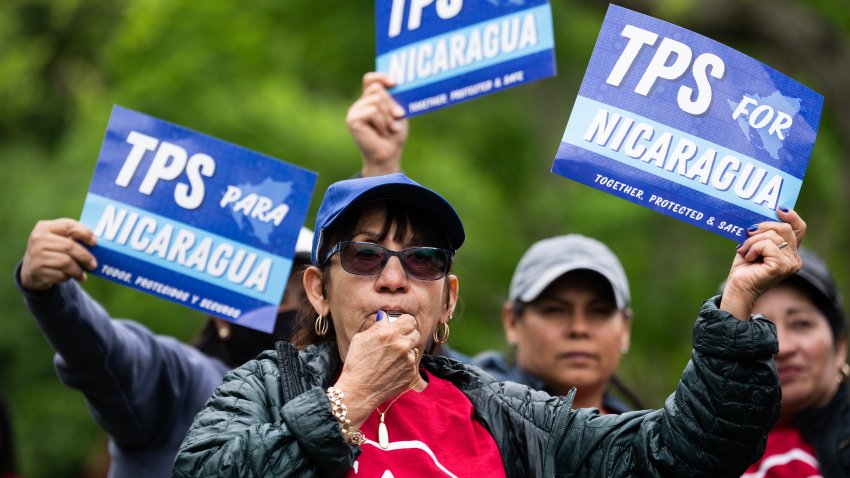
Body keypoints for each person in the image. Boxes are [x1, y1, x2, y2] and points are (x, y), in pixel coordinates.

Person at [173, 172, 804, 477]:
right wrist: (349, 400)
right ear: (318, 289)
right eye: (366, 256)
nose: (394, 278)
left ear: (446, 299)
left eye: (422, 261)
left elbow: (678, 456)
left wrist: (738, 302)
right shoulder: (265, 388)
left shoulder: (509, 415)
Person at [16, 222, 313, 477]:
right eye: (278, 295)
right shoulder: (182, 383)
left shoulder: (334, 406)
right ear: (221, 317)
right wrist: (53, 296)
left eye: (310, 295)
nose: (301, 312)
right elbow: (107, 352)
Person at [473, 234, 641, 412]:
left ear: (625, 329)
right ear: (512, 322)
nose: (579, 328)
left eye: (599, 311)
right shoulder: (472, 418)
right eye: (554, 310)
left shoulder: (646, 435)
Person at [742, 248, 849, 478]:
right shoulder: (704, 453)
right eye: (759, 330)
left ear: (839, 347)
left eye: (800, 324)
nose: (781, 347)